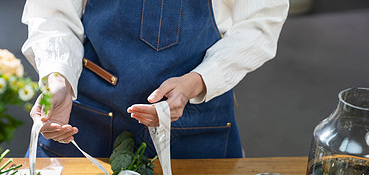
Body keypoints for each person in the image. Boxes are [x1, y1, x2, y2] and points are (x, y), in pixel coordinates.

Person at [21, 0, 289, 159]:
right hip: (89, 118)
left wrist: (196, 81)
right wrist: (57, 78)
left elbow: (260, 21)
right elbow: (50, 13)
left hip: (195, 118)